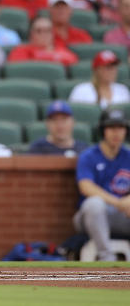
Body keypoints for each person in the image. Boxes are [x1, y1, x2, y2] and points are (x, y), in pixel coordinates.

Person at [73, 108, 130, 261]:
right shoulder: (89, 156)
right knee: (94, 204)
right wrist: (118, 202)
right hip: (89, 217)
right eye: (111, 127)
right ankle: (107, 259)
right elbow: (86, 187)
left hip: (121, 216)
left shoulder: (128, 156)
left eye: (120, 127)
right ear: (102, 130)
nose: (116, 132)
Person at [8, 16, 78, 67]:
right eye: (39, 31)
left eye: (47, 30)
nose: (44, 34)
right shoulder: (20, 51)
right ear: (31, 34)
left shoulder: (64, 52)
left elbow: (73, 61)